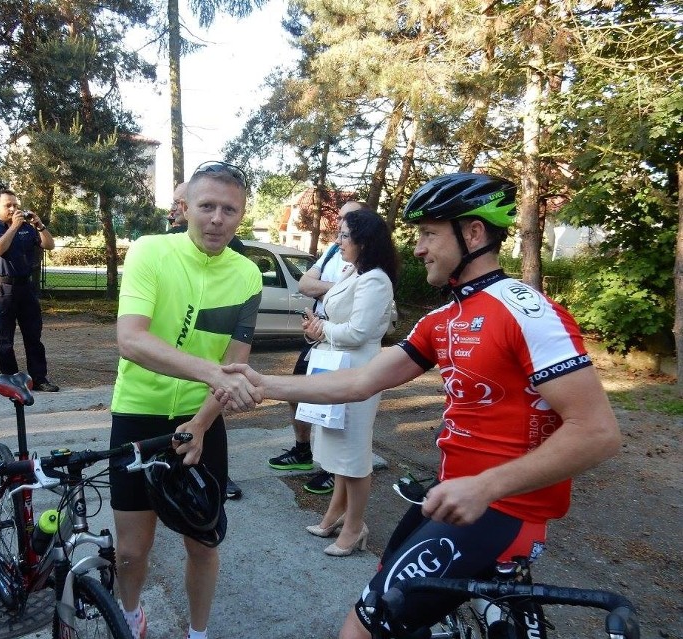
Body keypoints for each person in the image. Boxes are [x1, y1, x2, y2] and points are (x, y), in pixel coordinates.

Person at [219, 173, 622, 638]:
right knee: (391, 593)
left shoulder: (523, 309)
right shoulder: (443, 319)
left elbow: (596, 431)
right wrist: (262, 382)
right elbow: (361, 381)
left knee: (359, 629)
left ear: (473, 234)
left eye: (429, 233)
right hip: (453, 497)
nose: (417, 248)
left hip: (499, 509)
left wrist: (486, 487)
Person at [109, 161, 262, 639]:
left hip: (202, 418)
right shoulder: (150, 251)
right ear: (185, 208)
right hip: (138, 413)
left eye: (229, 210)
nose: (217, 218)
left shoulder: (248, 274)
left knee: (203, 541)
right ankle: (130, 616)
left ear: (241, 215)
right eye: (207, 206)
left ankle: (198, 633)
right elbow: (131, 340)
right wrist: (210, 371)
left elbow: (235, 364)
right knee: (133, 549)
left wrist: (199, 422)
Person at [300, 208, 397, 556]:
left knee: (353, 453)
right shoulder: (351, 271)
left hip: (358, 371)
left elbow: (358, 332)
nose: (337, 241)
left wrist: (322, 328)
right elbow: (334, 317)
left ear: (363, 241)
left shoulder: (375, 279)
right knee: (336, 447)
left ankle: (355, 527)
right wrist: (318, 328)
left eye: (343, 235)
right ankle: (335, 513)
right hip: (335, 364)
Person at [268, 199, 364, 495]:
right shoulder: (334, 250)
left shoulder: (369, 259)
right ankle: (302, 450)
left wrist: (327, 288)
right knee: (298, 391)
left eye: (348, 223)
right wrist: (339, 288)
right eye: (340, 221)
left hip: (339, 338)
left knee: (334, 403)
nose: (340, 229)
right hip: (317, 334)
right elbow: (304, 285)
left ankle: (333, 468)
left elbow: (363, 293)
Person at [168, 180, 245, 501]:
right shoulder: (162, 244)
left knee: (210, 415)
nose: (172, 208)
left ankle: (218, 476)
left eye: (178, 201)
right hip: (163, 370)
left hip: (209, 369)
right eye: (174, 203)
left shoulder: (233, 249)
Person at [0, 188, 59, 391]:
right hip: (3, 287)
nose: (13, 208)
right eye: (8, 205)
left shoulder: (27, 227)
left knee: (33, 335)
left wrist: (39, 225)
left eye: (15, 205)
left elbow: (49, 245)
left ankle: (39, 379)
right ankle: (11, 380)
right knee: (5, 338)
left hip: (26, 286)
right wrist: (13, 227)